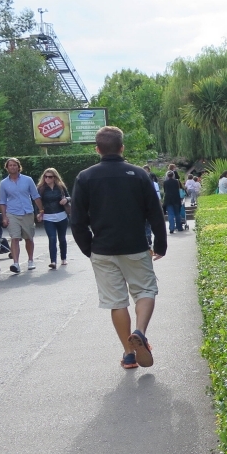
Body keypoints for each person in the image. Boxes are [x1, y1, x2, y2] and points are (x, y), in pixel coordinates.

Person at [71, 126, 167, 370]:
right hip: (135, 245)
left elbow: (78, 220)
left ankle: (128, 353)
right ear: (122, 148)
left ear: (97, 149)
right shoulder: (138, 174)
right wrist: (160, 245)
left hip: (103, 248)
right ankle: (140, 331)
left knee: (116, 302)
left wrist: (88, 248)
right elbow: (155, 213)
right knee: (145, 290)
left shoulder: (85, 177)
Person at [0, 157, 43, 274]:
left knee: (29, 238)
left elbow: (35, 195)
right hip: (12, 212)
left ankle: (30, 260)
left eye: (14, 165)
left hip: (27, 212)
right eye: (10, 165)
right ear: (7, 168)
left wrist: (41, 210)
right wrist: (4, 216)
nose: (12, 167)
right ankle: (16, 263)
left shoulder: (28, 180)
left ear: (18, 167)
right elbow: (2, 201)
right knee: (15, 237)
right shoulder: (3, 183)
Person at [37, 168, 71, 269]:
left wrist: (66, 200)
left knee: (62, 238)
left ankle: (63, 258)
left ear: (54, 177)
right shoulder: (41, 188)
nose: (47, 178)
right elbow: (37, 202)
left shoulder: (60, 187)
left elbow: (69, 197)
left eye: (50, 177)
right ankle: (53, 261)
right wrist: (39, 213)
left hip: (61, 216)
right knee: (52, 238)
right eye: (45, 176)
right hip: (48, 217)